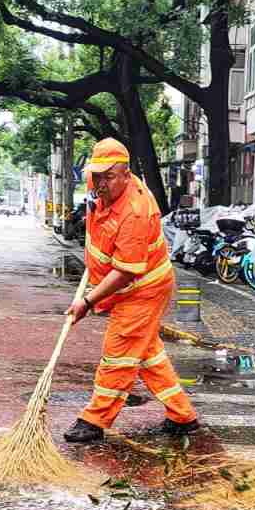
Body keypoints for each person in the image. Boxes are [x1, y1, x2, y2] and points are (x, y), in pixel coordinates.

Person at [62, 138, 199, 443]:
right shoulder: (100, 182)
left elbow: (125, 272)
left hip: (142, 289)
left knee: (119, 353)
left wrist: (87, 301)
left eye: (108, 177)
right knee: (148, 354)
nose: (100, 183)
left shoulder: (136, 212)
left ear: (126, 174)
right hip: (128, 286)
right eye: (96, 175)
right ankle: (183, 416)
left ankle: (94, 420)